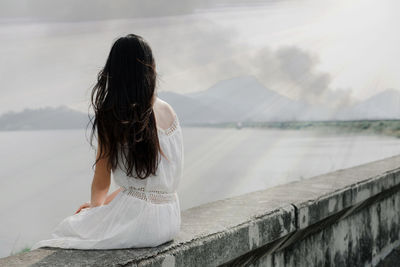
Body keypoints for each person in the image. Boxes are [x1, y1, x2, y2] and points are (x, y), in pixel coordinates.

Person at [31, 34, 184, 250]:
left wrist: (96, 212)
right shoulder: (168, 110)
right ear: (151, 68)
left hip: (140, 223)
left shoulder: (114, 114)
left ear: (114, 72)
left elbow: (102, 181)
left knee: (66, 231)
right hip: (170, 220)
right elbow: (146, 188)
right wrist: (106, 207)